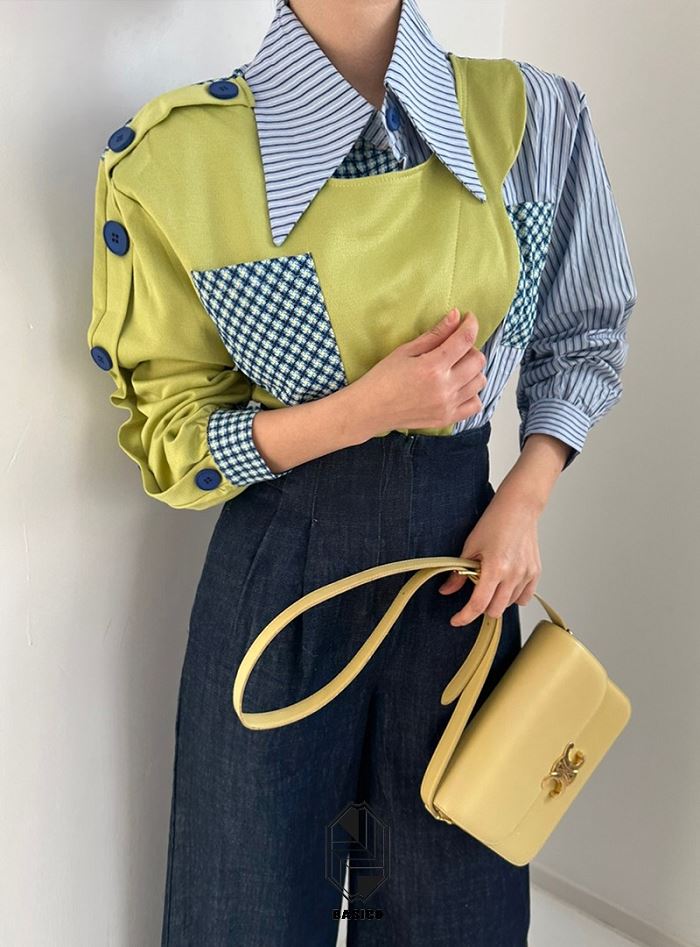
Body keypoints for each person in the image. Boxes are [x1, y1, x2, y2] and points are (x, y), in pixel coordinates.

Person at [87, 0, 638, 943]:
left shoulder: (533, 118)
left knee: (453, 912)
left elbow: (584, 330)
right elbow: (172, 437)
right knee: (247, 909)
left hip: (463, 583)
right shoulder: (174, 162)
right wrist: (366, 409)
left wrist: (525, 496)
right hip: (279, 591)